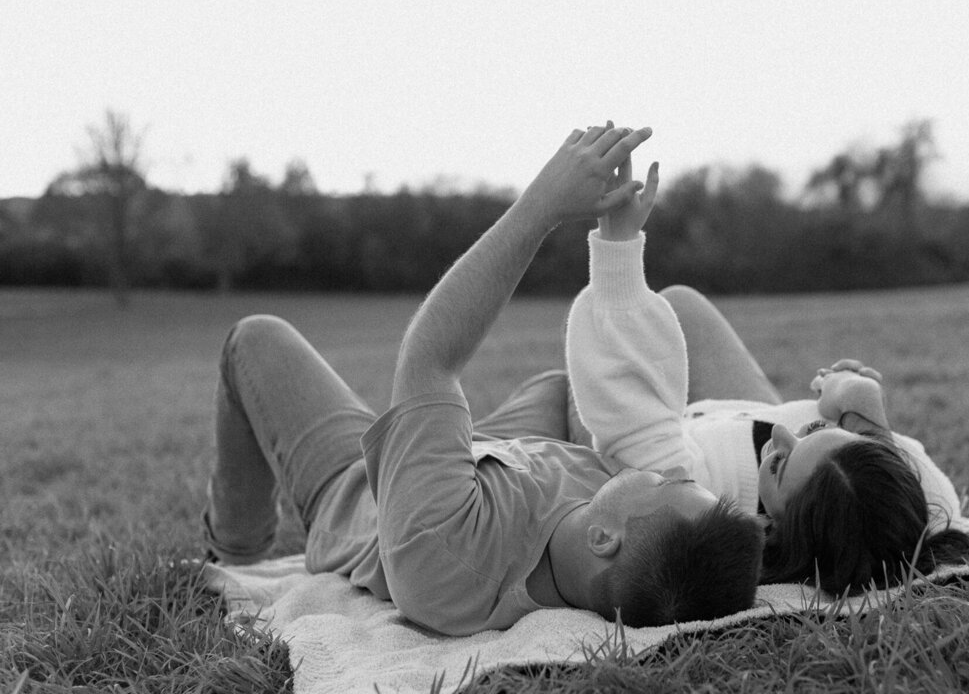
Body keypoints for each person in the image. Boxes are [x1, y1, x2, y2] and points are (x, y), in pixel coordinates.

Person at [202, 123, 765, 636]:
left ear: (604, 539)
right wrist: (617, 242)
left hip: (365, 490)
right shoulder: (630, 532)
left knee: (255, 338)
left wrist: (543, 204)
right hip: (516, 450)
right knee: (675, 312)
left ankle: (235, 544)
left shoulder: (448, 555)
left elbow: (429, 358)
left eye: (668, 485)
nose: (666, 474)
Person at [565, 159, 969, 596]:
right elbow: (897, 476)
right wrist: (862, 402)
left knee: (587, 364)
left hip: (668, 442)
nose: (783, 433)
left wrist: (617, 241)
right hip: (736, 417)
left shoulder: (692, 502)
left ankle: (565, 401)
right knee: (680, 302)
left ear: (774, 531)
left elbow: (632, 419)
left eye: (781, 464)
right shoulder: (910, 507)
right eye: (816, 430)